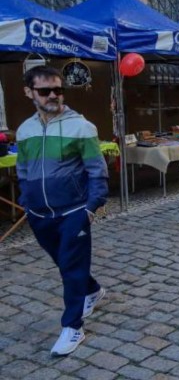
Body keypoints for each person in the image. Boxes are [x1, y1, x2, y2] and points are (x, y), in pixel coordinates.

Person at [16, 66, 108, 356]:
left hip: (74, 211)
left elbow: (98, 172)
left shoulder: (81, 127)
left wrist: (92, 208)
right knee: (66, 262)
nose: (53, 95)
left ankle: (72, 327)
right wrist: (25, 200)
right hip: (39, 213)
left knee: (70, 265)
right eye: (45, 91)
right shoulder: (25, 129)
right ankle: (92, 289)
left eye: (58, 89)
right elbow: (22, 168)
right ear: (29, 92)